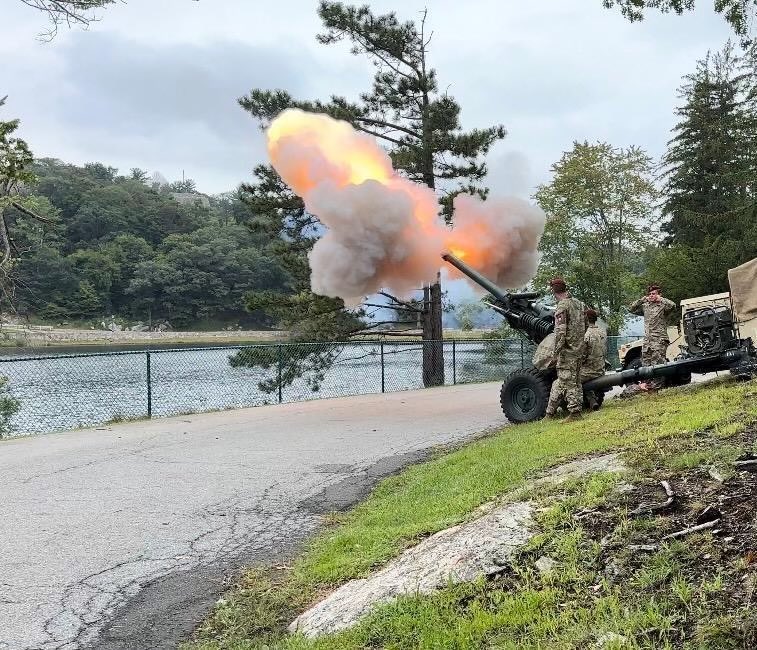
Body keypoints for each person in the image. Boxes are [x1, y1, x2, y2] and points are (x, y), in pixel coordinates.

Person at [545, 277, 586, 422]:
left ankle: (574, 412)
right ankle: (577, 409)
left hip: (567, 352)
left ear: (554, 291)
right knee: (576, 380)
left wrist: (555, 353)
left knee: (568, 382)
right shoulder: (580, 304)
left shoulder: (562, 306)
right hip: (579, 350)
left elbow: (560, 332)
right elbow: (586, 325)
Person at [629, 284, 676, 390]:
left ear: (659, 295)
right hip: (648, 340)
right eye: (649, 294)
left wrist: (661, 299)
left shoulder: (663, 305)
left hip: (659, 339)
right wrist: (642, 299)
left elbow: (673, 306)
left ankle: (658, 388)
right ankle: (649, 388)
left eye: (654, 294)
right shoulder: (645, 306)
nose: (651, 295)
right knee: (646, 363)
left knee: (658, 364)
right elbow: (631, 309)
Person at [580, 308, 607, 410]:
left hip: (590, 371)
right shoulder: (601, 333)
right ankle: (592, 401)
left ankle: (575, 407)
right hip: (601, 368)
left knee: (572, 378)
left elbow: (583, 356)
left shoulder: (586, 335)